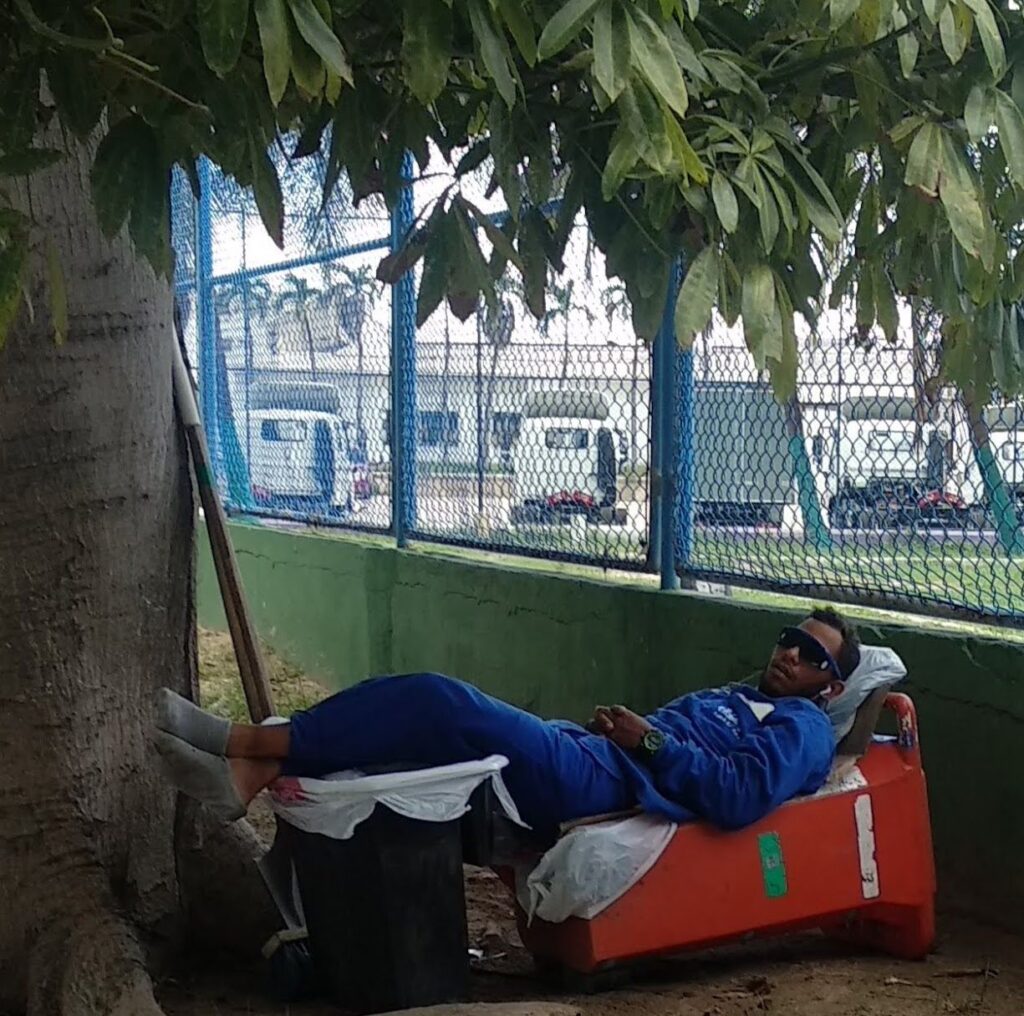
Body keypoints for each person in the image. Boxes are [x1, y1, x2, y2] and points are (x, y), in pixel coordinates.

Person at [155, 608, 860, 838]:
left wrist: (645, 740)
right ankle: (259, 771)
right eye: (787, 640)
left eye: (810, 655)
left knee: (442, 700)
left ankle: (243, 740)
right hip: (590, 753)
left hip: (603, 783)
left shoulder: (804, 729)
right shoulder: (741, 696)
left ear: (830, 687)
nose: (789, 655)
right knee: (428, 732)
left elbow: (738, 795)